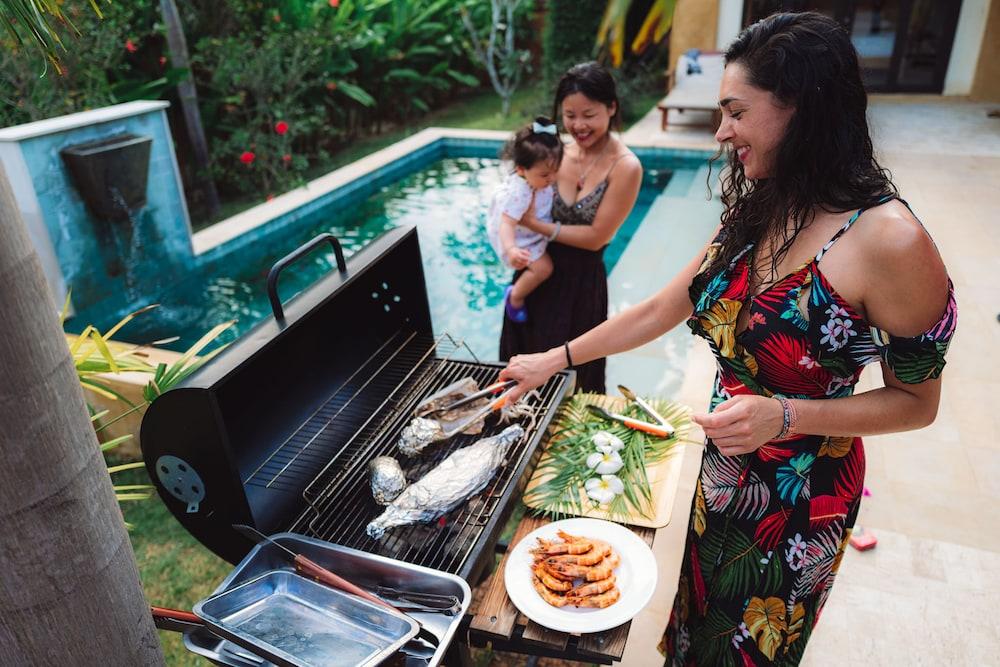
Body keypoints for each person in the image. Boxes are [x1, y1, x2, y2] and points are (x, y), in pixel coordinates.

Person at [500, 12, 956, 666]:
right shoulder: (764, 204)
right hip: (725, 474)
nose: (721, 131)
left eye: (736, 111)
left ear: (801, 107)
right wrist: (553, 357)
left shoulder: (891, 240)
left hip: (798, 506)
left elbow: (918, 401)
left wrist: (789, 414)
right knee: (696, 636)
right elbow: (664, 305)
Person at [498, 62, 643, 392]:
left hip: (581, 287)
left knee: (575, 382)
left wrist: (533, 223)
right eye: (569, 115)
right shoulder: (553, 155)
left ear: (611, 107)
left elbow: (596, 239)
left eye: (588, 114)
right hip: (537, 274)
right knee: (520, 372)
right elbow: (516, 193)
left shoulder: (626, 167)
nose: (578, 125)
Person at [487, 117, 563, 322]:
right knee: (544, 269)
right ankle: (515, 296)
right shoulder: (519, 194)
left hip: (529, 229)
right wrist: (511, 250)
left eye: (556, 171)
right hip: (518, 238)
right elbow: (506, 224)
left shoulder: (537, 177)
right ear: (521, 169)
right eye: (545, 174)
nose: (552, 179)